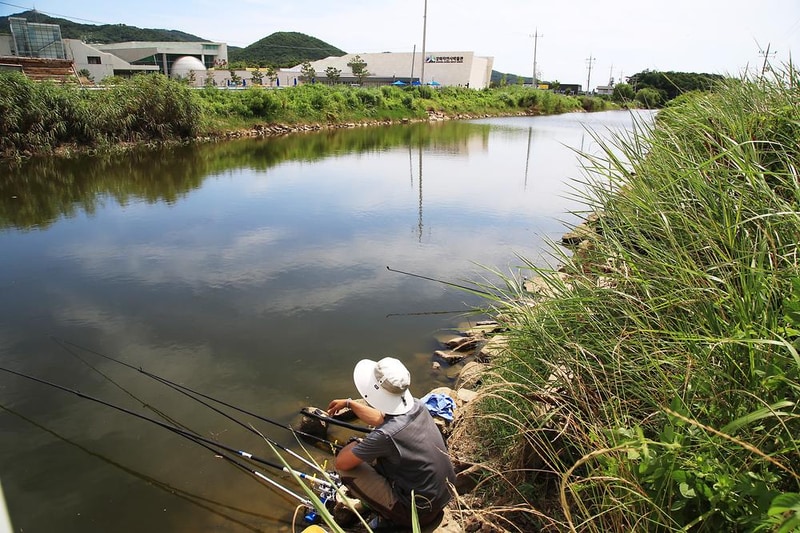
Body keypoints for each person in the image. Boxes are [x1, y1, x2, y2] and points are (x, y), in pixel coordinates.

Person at [327, 357, 456, 528]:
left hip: (418, 514)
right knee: (376, 455)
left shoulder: (385, 436)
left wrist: (358, 443)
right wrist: (349, 404)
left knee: (347, 469)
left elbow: (342, 462)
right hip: (444, 496)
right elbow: (382, 419)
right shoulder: (418, 406)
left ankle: (389, 517)